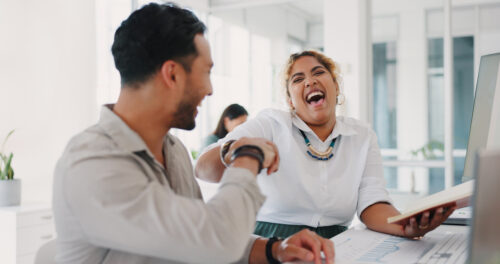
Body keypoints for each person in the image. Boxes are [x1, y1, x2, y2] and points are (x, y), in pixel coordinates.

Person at [52, 4, 334, 264]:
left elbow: (199, 236)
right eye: (207, 72)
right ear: (172, 75)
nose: (210, 89)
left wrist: (276, 249)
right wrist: (248, 156)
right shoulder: (92, 164)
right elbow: (217, 239)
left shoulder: (173, 149)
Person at [195, 50, 456, 240]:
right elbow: (204, 169)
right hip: (269, 244)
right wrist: (240, 149)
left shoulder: (362, 134)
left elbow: (372, 203)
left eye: (318, 73)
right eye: (298, 79)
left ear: (335, 85)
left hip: (338, 247)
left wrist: (405, 226)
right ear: (290, 100)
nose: (309, 81)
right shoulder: (271, 122)